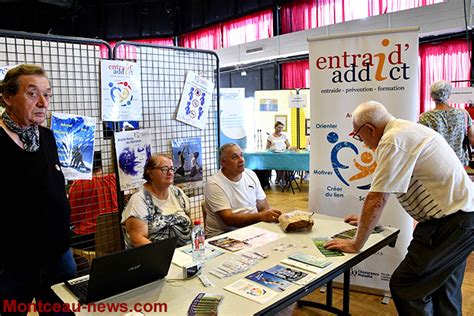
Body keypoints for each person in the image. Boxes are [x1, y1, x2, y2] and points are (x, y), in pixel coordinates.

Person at [324, 101, 474, 315]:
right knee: (444, 289)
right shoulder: (405, 130)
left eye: (358, 136)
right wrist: (367, 220)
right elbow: (389, 188)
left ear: (369, 129)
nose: (362, 142)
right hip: (462, 220)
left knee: (407, 286)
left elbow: (377, 198)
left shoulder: (392, 140)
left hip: (449, 224)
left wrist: (356, 243)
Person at [0, 64, 76, 312]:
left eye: (47, 94)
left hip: (58, 253)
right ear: (7, 97)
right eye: (33, 94)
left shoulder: (46, 137)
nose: (43, 102)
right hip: (13, 262)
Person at [204, 143, 282, 238]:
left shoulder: (251, 174)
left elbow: (263, 207)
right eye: (235, 157)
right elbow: (229, 219)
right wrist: (261, 217)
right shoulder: (214, 184)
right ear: (223, 162)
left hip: (252, 228)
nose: (241, 160)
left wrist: (263, 220)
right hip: (224, 235)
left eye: (241, 155)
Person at [122, 154, 192, 248]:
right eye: (164, 169)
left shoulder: (177, 193)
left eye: (172, 169)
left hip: (187, 252)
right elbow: (137, 239)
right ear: (150, 173)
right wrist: (164, 255)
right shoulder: (139, 199)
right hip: (158, 256)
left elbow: (189, 221)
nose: (170, 172)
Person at [69, 151, 118, 250]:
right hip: (114, 233)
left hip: (88, 237)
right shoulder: (113, 179)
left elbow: (72, 216)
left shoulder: (80, 184)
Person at [419, 80, 474, 166]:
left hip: (436, 163)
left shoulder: (425, 118)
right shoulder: (463, 114)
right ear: (449, 95)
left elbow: (421, 143)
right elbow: (472, 140)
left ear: (432, 97)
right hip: (459, 163)